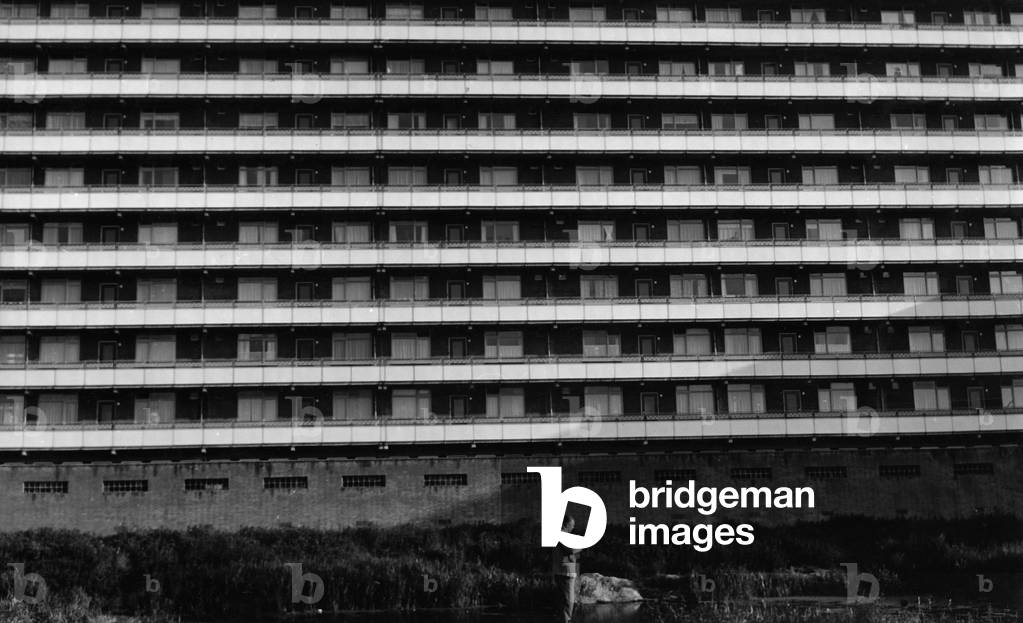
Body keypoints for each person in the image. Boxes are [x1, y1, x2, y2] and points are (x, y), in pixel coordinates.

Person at [552, 515, 581, 622]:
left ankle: (564, 620)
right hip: (565, 573)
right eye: (571, 525)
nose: (573, 528)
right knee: (568, 601)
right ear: (565, 524)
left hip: (562, 571)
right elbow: (572, 550)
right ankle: (566, 621)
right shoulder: (562, 535)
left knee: (563, 601)